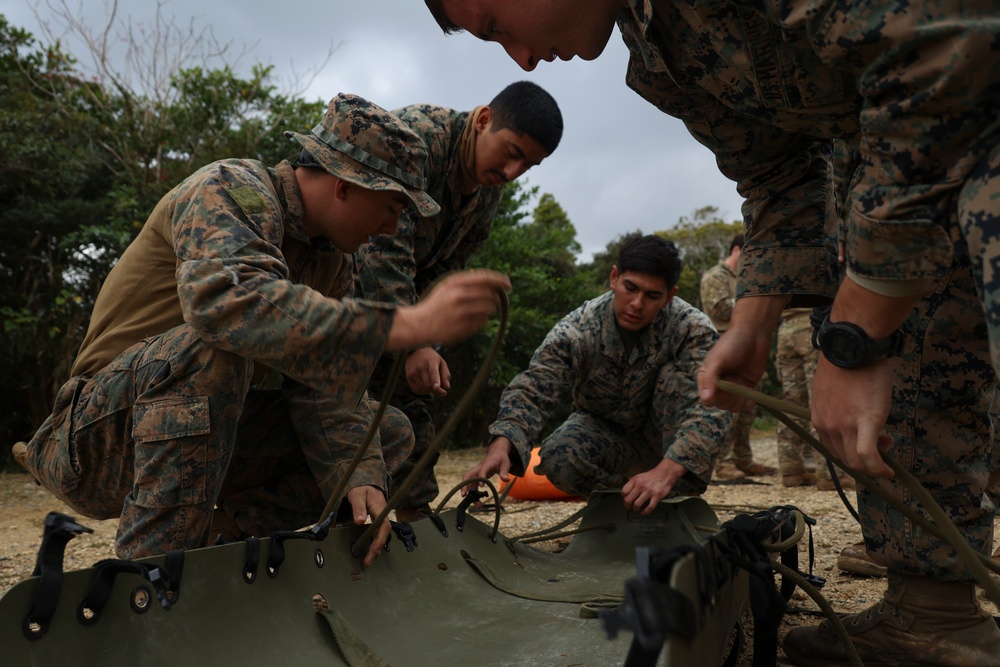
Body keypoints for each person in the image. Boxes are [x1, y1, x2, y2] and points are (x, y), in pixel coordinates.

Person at [423, 2, 1000, 664]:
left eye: (496, 24)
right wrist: (756, 319)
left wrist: (858, 331)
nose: (520, 59)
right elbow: (780, 175)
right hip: (890, 170)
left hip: (973, 114)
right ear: (611, 281)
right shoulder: (658, 57)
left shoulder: (686, 328)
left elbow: (943, 46)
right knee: (905, 314)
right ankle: (930, 611)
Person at [12, 92, 510, 568]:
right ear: (345, 186)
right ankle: (151, 581)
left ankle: (223, 550)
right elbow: (229, 307)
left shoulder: (333, 263)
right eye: (393, 209)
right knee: (214, 350)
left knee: (386, 437)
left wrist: (362, 480)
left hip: (198, 436)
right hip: (93, 440)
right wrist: (404, 323)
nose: (389, 229)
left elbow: (323, 389)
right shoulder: (231, 188)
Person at [355, 81, 563, 523]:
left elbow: (447, 268)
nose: (512, 172)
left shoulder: (487, 191)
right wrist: (414, 340)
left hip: (402, 310)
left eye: (527, 165)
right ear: (483, 119)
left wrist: (427, 342)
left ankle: (414, 520)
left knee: (416, 394)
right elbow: (381, 245)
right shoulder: (415, 139)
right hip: (345, 299)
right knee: (349, 415)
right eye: (510, 152)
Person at [462, 234, 731, 512]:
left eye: (652, 296)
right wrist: (502, 443)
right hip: (605, 441)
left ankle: (671, 503)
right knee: (558, 455)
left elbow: (714, 405)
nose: (637, 304)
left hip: (669, 450)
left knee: (685, 381)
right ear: (614, 278)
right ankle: (622, 508)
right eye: (630, 288)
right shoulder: (579, 327)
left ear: (669, 296)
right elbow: (536, 386)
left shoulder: (692, 329)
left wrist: (669, 469)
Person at [699, 234, 776, 480]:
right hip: (722, 345)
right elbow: (717, 307)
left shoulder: (744, 280)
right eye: (748, 255)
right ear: (736, 250)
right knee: (726, 410)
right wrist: (752, 307)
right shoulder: (716, 276)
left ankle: (743, 459)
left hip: (745, 347)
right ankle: (723, 463)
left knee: (747, 409)